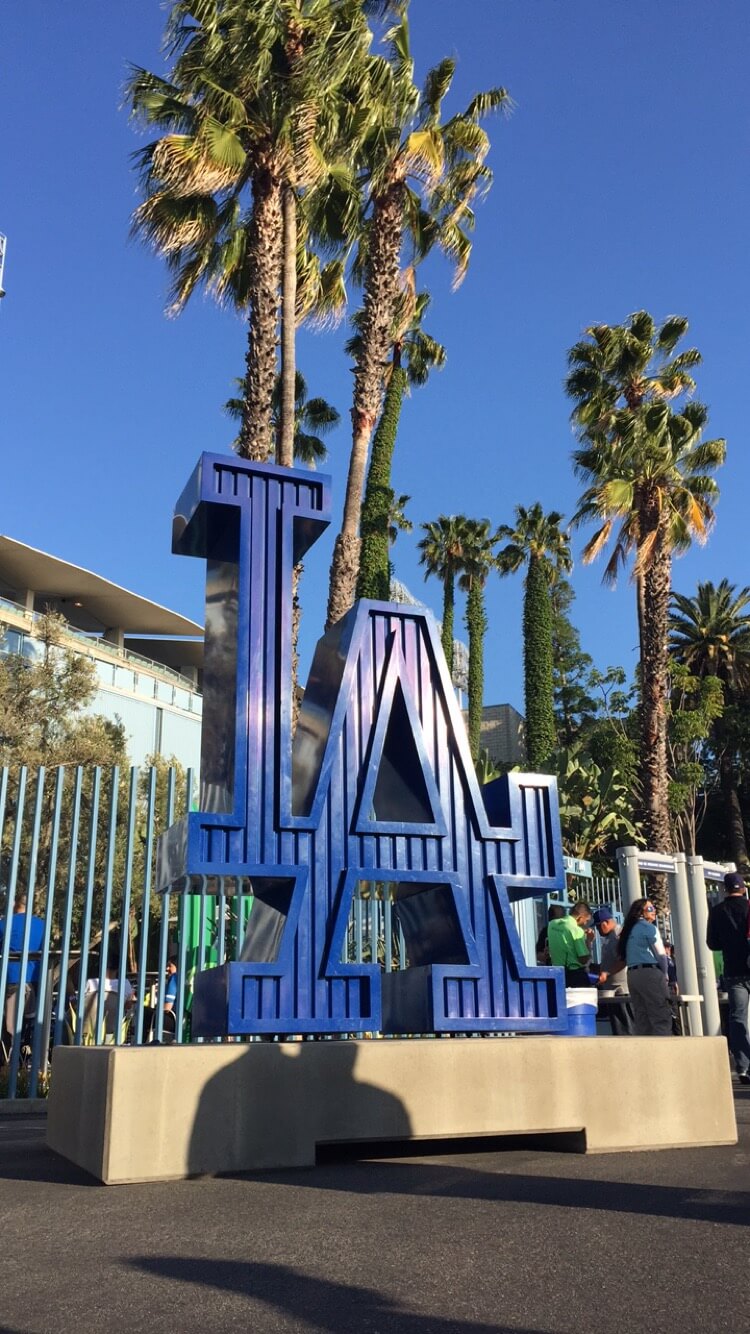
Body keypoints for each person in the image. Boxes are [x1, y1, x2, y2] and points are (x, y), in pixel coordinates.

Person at [706, 871, 750, 1085]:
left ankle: (743, 1066)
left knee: (737, 1017)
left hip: (734, 970)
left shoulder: (717, 911)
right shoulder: (749, 906)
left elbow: (712, 943)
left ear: (725, 889)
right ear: (743, 888)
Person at [618, 897, 673, 1036]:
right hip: (649, 973)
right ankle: (663, 1050)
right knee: (660, 1015)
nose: (654, 911)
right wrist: (665, 973)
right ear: (641, 912)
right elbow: (660, 954)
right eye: (650, 909)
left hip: (632, 975)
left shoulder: (628, 930)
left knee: (642, 1017)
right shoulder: (648, 928)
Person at [0, 894, 45, 1058]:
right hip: (35, 979)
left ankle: (8, 1062)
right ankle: (28, 1057)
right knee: (30, 1022)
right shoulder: (42, 925)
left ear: (15, 904)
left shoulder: (5, 924)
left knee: (8, 1025)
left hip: (12, 978)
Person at [592, 905, 634, 1036]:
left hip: (621, 989)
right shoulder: (610, 937)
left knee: (626, 1027)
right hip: (613, 989)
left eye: (599, 926)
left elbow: (623, 960)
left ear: (607, 922)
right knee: (618, 1028)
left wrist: (607, 973)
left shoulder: (617, 936)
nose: (598, 930)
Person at [547, 900, 594, 987]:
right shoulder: (576, 930)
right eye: (586, 920)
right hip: (575, 974)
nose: (585, 924)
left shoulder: (552, 924)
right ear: (580, 917)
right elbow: (583, 959)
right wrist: (588, 941)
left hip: (557, 972)